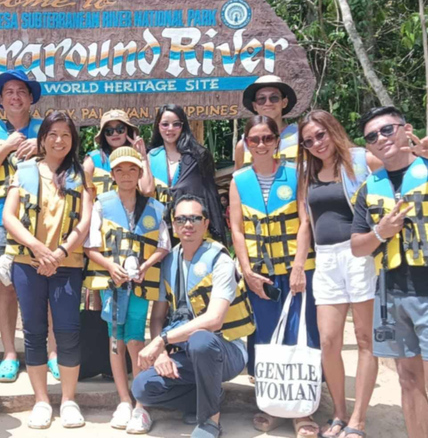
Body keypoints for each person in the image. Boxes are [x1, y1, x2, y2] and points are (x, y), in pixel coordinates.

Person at [351, 106, 428, 438]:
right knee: (408, 379)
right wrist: (380, 232)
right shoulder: (368, 188)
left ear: (407, 129)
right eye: (372, 136)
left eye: (387, 130)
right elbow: (357, 246)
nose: (381, 139)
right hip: (391, 293)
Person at [132, 194, 254, 438]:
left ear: (206, 223)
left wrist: (161, 342)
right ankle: (202, 399)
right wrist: (163, 354)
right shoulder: (169, 261)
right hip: (186, 351)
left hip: (225, 349)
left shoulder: (219, 259)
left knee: (201, 339)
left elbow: (214, 320)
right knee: (142, 388)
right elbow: (158, 317)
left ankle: (210, 421)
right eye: (181, 219)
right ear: (174, 225)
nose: (188, 224)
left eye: (195, 218)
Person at [229, 115, 319, 438]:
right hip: (259, 275)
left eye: (268, 138)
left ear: (277, 141)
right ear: (247, 144)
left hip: (295, 271)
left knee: (300, 336)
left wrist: (298, 266)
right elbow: (237, 229)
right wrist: (247, 271)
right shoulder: (239, 180)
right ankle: (271, 405)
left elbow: (305, 222)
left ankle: (303, 411)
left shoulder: (295, 174)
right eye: (255, 139)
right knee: (266, 338)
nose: (261, 144)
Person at [2, 111, 92, 429]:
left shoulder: (80, 175)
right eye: (52, 134)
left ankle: (68, 400)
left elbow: (84, 221)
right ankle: (42, 400)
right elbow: (9, 217)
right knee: (34, 332)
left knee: (68, 333)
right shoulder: (24, 170)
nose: (59, 140)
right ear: (42, 138)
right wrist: (39, 249)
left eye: (66, 135)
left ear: (73, 140)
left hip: (67, 264)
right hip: (29, 263)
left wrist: (60, 251)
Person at [297, 110, 381, 438]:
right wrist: (298, 266)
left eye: (321, 135)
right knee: (329, 341)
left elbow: (405, 171)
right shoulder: (309, 172)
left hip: (359, 253)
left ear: (333, 129)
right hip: (326, 261)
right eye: (309, 140)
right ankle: (339, 413)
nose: (317, 143)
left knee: (364, 338)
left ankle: (359, 418)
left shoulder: (362, 160)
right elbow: (307, 223)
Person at [0, 69, 52, 383]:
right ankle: (9, 354)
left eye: (21, 91)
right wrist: (6, 147)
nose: (15, 96)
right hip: (0, 219)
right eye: (9, 92)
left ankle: (51, 353)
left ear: (30, 98)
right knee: (6, 287)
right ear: (0, 100)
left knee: (46, 284)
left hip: (45, 219)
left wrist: (41, 147)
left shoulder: (46, 129)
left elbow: (66, 161)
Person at [84, 146, 170, 434]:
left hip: (141, 286)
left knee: (135, 339)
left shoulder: (156, 208)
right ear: (112, 175)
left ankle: (141, 404)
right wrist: (111, 266)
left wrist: (146, 265)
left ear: (140, 173)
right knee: (114, 338)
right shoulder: (102, 204)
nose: (126, 175)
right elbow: (91, 248)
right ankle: (123, 399)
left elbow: (163, 246)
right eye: (119, 170)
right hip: (114, 284)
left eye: (132, 169)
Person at [147, 105, 226, 243]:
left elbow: (210, 196)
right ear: (158, 126)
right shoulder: (150, 157)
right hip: (157, 229)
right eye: (165, 124)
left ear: (183, 126)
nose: (170, 129)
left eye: (176, 124)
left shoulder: (198, 156)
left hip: (189, 228)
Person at [83, 109, 153, 199]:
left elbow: (147, 191)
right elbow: (83, 195)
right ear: (103, 135)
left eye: (120, 129)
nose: (115, 133)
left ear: (128, 131)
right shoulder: (92, 160)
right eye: (109, 131)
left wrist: (142, 157)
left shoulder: (139, 158)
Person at [235, 75, 299, 169]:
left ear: (284, 102)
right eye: (261, 99)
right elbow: (238, 180)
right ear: (254, 106)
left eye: (274, 98)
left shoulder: (300, 136)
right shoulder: (244, 143)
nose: (268, 103)